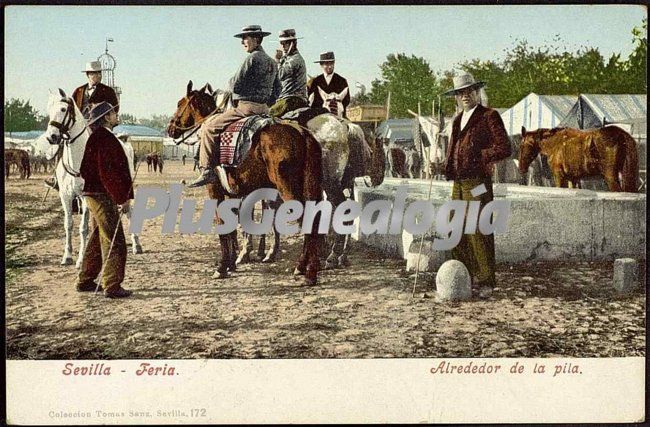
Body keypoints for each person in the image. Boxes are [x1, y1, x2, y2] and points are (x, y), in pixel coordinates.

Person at [442, 72, 511, 299]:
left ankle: (485, 281)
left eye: (469, 91)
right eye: (461, 92)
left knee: (479, 230)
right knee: (457, 230)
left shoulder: (489, 116)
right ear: (456, 96)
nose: (465, 96)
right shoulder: (457, 120)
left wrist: (479, 156)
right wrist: (444, 167)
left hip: (478, 183)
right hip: (459, 183)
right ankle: (464, 276)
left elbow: (505, 147)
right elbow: (453, 150)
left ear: (477, 92)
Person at [188, 25, 280, 188]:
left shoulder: (251, 58)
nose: (243, 42)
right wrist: (267, 103)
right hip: (264, 109)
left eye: (246, 38)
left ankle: (207, 170)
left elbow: (235, 84)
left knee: (209, 127)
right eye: (242, 39)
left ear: (257, 39)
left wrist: (232, 87)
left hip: (245, 108)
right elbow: (278, 89)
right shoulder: (272, 62)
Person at [76, 102, 134, 298]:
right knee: (114, 239)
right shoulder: (105, 139)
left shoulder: (98, 137)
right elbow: (108, 173)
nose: (116, 115)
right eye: (113, 113)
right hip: (102, 195)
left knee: (97, 237)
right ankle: (112, 285)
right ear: (106, 117)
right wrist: (122, 198)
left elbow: (86, 170)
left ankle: (85, 280)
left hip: (95, 194)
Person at [45, 61, 119, 190]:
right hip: (78, 126)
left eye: (98, 73)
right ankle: (56, 177)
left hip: (99, 126)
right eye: (93, 73)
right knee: (62, 143)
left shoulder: (108, 91)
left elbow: (115, 110)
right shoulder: (78, 91)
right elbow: (72, 108)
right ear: (88, 75)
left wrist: (102, 117)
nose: (97, 76)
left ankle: (111, 178)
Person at [268, 29, 308, 118]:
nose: (282, 46)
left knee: (268, 115)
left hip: (292, 99)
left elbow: (280, 75)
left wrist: (277, 60)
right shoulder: (286, 58)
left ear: (292, 43)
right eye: (281, 43)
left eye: (285, 43)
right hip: (285, 98)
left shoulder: (296, 59)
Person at [307, 51, 350, 117]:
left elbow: (347, 100)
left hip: (338, 116)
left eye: (331, 63)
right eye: (326, 64)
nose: (330, 66)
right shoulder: (315, 81)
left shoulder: (342, 81)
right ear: (321, 65)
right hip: (318, 117)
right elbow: (309, 99)